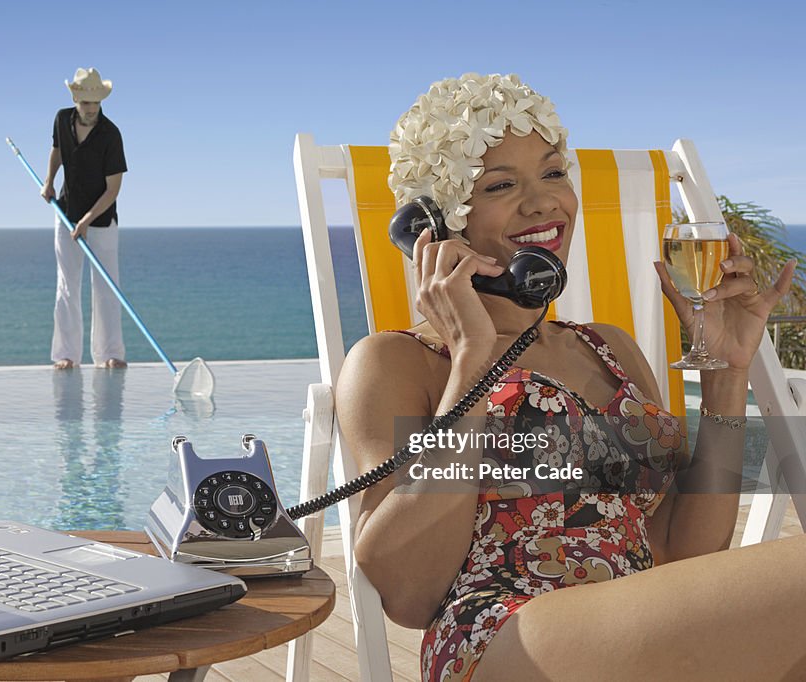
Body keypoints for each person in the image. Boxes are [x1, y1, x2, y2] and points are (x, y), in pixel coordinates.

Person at [337, 73, 806, 681]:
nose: (543, 202)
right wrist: (473, 361)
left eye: (554, 173)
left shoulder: (610, 348)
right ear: (434, 225)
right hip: (507, 634)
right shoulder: (396, 361)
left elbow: (681, 548)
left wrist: (726, 371)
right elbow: (407, 591)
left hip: (640, 628)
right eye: (501, 185)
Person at [41, 67, 128, 369]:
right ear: (76, 99)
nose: (91, 109)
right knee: (67, 285)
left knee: (106, 288)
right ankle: (66, 355)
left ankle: (110, 355)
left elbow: (113, 189)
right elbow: (57, 152)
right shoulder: (61, 119)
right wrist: (49, 181)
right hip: (66, 214)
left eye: (96, 103)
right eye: (86, 103)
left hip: (102, 221)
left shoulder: (111, 134)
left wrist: (89, 219)